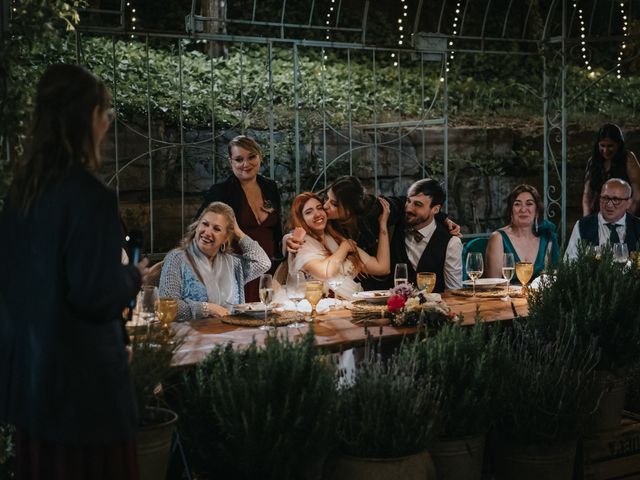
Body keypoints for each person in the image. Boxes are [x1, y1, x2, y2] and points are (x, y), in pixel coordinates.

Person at [0, 64, 145, 479]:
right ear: (89, 117)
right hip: (83, 397)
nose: (107, 123)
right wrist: (133, 276)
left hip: (32, 383)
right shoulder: (89, 198)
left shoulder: (22, 195)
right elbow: (95, 292)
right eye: (106, 113)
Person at [286, 175, 460, 290]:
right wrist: (288, 239)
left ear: (350, 209)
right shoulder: (329, 224)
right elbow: (302, 217)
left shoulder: (375, 210)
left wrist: (442, 219)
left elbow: (411, 207)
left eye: (334, 204)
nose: (324, 206)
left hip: (382, 286)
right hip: (353, 287)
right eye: (327, 200)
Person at [196, 135, 282, 302]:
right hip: (240, 270)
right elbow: (199, 228)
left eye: (251, 157)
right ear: (231, 162)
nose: (246, 164)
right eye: (239, 159)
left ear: (260, 156)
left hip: (270, 268)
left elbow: (276, 229)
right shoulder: (220, 191)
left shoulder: (270, 187)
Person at [160, 201, 271, 321]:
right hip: (192, 334)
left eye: (216, 229)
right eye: (205, 224)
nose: (207, 232)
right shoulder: (177, 259)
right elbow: (167, 306)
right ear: (197, 226)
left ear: (226, 238)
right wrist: (207, 308)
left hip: (230, 333)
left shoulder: (233, 264)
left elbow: (263, 262)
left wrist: (238, 233)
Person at [287, 192, 390, 298]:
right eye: (309, 212)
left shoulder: (337, 239)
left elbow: (382, 268)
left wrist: (383, 225)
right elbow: (325, 272)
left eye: (319, 208)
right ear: (301, 219)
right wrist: (344, 248)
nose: (317, 214)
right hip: (321, 309)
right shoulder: (300, 244)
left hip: (349, 303)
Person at [386, 179, 463, 292]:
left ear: (435, 209)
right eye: (408, 201)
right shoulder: (395, 226)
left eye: (418, 204)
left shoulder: (451, 243)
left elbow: (453, 291)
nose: (409, 208)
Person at [486, 184, 560, 281]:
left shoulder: (547, 239)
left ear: (537, 211)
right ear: (511, 211)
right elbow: (493, 286)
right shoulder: (498, 238)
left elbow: (554, 279)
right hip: (506, 296)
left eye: (529, 204)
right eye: (517, 204)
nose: (523, 209)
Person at [566, 178, 640, 260]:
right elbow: (569, 262)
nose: (609, 204)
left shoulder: (638, 226)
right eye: (605, 198)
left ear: (628, 203)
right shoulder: (582, 226)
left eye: (616, 199)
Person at [582, 123, 640, 216]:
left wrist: (624, 220)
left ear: (619, 144)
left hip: (625, 214)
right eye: (602, 145)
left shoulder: (628, 159)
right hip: (598, 215)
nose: (606, 150)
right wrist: (587, 221)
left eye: (610, 146)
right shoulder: (593, 161)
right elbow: (587, 195)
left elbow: (637, 195)